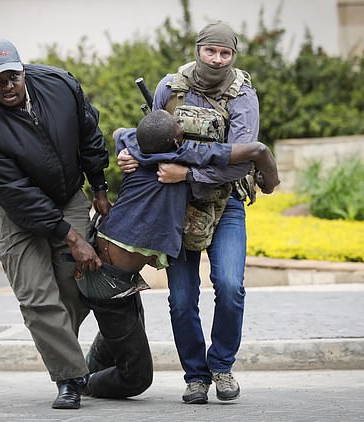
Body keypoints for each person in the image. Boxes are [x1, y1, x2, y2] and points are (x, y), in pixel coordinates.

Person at [81, 110, 279, 398]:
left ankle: (83, 372)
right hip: (111, 283)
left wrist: (126, 149)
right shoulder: (184, 154)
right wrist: (270, 181)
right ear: (177, 141)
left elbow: (117, 133)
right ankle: (76, 383)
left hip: (110, 267)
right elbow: (258, 149)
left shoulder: (136, 144)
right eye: (180, 130)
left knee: (118, 333)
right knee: (136, 377)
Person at [118, 21, 264, 404]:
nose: (217, 59)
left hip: (226, 200)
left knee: (230, 286)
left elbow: (241, 160)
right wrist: (132, 157)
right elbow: (152, 140)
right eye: (210, 51)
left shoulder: (242, 95)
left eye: (225, 53)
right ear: (197, 50)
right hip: (176, 205)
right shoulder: (170, 87)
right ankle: (196, 376)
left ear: (233, 56)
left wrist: (190, 172)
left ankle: (222, 367)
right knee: (181, 299)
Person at [0, 39, 111, 410]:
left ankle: (68, 360)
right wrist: (70, 235)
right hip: (7, 207)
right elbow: (18, 196)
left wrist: (99, 186)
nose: (9, 86)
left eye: (13, 76)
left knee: (75, 283)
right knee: (35, 294)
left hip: (64, 194)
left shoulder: (60, 85)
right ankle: (69, 378)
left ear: (23, 70)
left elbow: (89, 134)